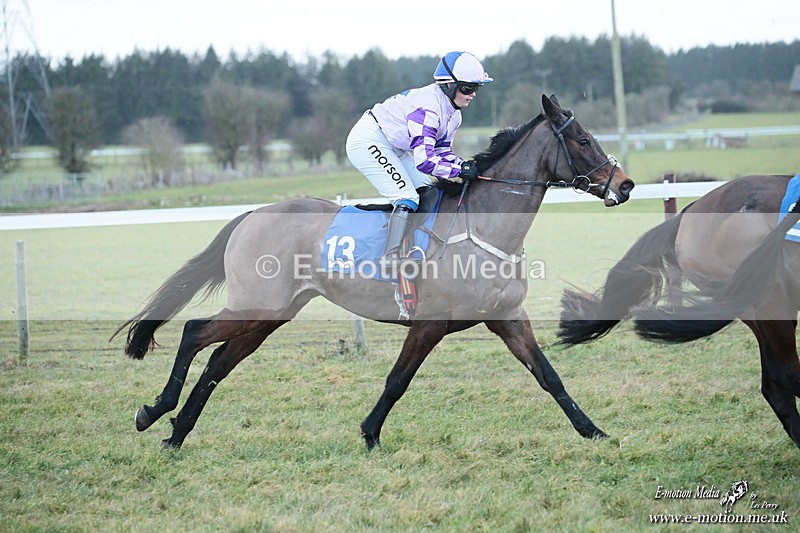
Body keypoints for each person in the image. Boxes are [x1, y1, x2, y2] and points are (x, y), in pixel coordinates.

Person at [345, 51, 493, 263]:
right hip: (369, 139)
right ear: (449, 85)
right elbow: (424, 161)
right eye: (467, 88)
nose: (472, 94)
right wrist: (458, 171)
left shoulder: (454, 115)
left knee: (428, 192)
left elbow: (442, 152)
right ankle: (390, 257)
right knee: (407, 197)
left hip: (394, 144)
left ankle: (413, 246)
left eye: (476, 88)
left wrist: (465, 165)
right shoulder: (427, 110)